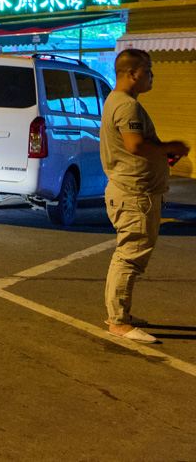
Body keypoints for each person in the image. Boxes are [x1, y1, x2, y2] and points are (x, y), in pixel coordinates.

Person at [100, 48, 189, 343]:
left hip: (130, 190)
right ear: (133, 73)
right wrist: (169, 147)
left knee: (126, 255)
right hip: (135, 193)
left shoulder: (117, 101)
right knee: (130, 258)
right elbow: (135, 146)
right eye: (149, 70)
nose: (152, 75)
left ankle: (119, 313)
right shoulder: (127, 106)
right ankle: (119, 322)